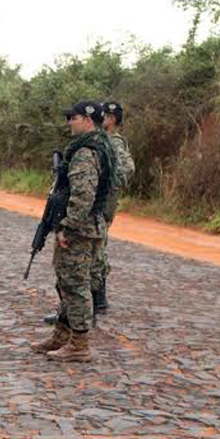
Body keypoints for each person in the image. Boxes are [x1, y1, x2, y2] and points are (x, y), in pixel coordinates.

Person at [31, 101, 112, 362]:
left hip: (80, 228)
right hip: (91, 225)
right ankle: (62, 335)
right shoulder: (103, 145)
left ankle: (79, 344)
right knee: (67, 281)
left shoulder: (86, 151)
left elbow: (83, 195)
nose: (69, 122)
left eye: (72, 117)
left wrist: (67, 227)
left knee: (75, 284)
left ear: (88, 120)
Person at [91, 101, 136, 312]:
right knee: (95, 248)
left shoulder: (114, 142)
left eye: (105, 115)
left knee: (97, 248)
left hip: (102, 206)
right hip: (99, 204)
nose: (101, 118)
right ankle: (96, 300)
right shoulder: (103, 139)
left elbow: (127, 169)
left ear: (112, 119)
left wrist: (106, 188)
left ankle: (97, 300)